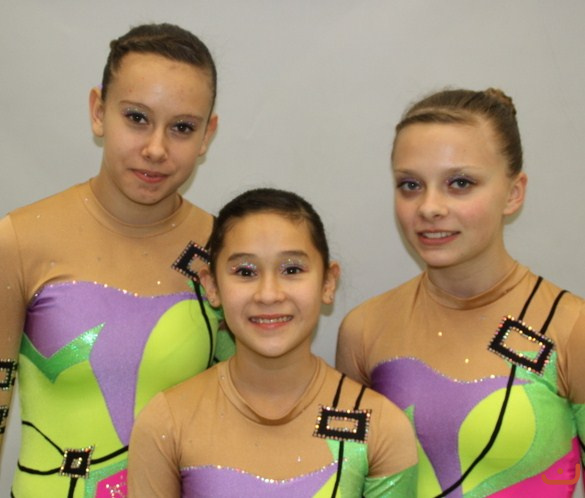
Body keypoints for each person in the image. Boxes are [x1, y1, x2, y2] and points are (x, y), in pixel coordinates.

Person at [0, 23, 234, 497]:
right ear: (98, 111)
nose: (156, 149)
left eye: (182, 128)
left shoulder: (223, 251)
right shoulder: (20, 241)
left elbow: (247, 415)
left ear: (207, 135)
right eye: (137, 118)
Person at [336, 88, 585, 497]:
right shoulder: (364, 329)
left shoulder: (570, 327)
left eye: (460, 183)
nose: (429, 207)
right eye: (410, 185)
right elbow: (343, 479)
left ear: (514, 193)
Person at [127, 187, 418, 497]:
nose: (268, 294)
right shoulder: (168, 421)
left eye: (292, 269)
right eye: (245, 271)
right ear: (211, 287)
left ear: (327, 282)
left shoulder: (380, 425)